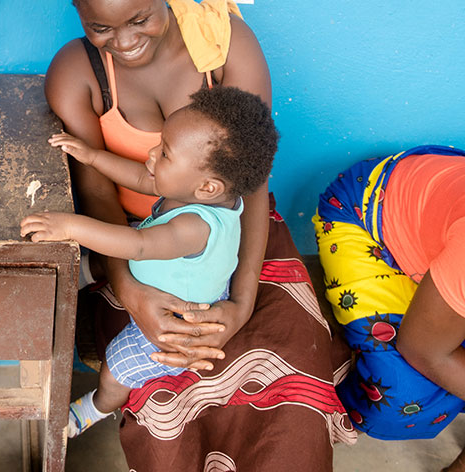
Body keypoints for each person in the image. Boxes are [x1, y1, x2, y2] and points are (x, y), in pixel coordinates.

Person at [46, 0, 354, 469]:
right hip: (133, 249)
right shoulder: (78, 74)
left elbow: (253, 183)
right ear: (78, 13)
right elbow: (95, 197)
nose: (124, 41)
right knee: (171, 393)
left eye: (140, 18)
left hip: (240, 233)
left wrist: (240, 299)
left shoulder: (223, 44)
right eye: (101, 27)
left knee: (286, 382)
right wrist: (134, 294)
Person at [22, 85, 278, 438]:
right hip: (165, 268)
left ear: (207, 188)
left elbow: (138, 245)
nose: (152, 153)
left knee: (116, 369)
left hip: (175, 322)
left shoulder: (195, 226)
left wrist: (68, 225)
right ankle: (86, 272)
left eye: (165, 153)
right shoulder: (192, 188)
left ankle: (92, 410)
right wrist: (93, 157)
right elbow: (143, 178)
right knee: (111, 244)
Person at [315, 146, 465, 472]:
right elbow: (423, 349)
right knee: (402, 395)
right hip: (367, 212)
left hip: (444, 234)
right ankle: (334, 397)